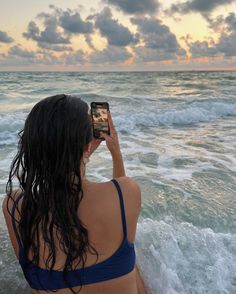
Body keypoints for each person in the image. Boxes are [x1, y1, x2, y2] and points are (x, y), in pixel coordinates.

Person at [2, 94, 148, 294]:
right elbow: (120, 196)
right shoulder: (126, 192)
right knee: (132, 262)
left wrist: (79, 154)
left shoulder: (14, 205)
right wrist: (115, 152)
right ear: (87, 146)